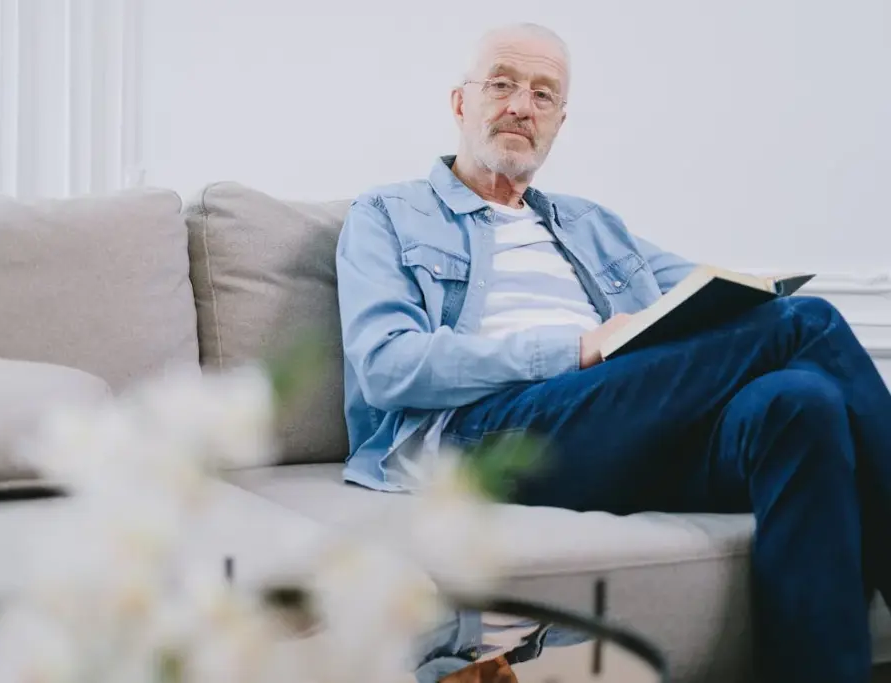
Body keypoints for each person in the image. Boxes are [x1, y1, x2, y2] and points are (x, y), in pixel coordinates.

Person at [334, 21, 890, 683]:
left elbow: (731, 302)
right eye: (502, 84)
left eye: (543, 95)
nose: (520, 105)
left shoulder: (593, 225)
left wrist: (721, 310)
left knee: (804, 402)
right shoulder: (389, 214)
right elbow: (388, 365)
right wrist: (573, 348)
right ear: (461, 102)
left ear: (559, 121)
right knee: (808, 325)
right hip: (482, 434)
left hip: (614, 432)